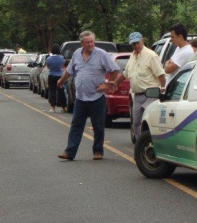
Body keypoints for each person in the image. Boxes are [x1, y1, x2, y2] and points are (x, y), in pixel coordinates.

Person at [56, 31, 121, 161]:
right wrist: (61, 81)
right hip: (80, 97)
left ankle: (98, 151)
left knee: (98, 126)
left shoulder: (101, 54)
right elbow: (69, 70)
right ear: (82, 43)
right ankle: (69, 152)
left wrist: (107, 84)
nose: (90, 44)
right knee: (76, 126)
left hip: (96, 97)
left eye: (92, 41)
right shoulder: (76, 54)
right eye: (87, 42)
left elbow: (114, 70)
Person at [109, 32, 165, 141]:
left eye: (138, 43)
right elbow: (125, 74)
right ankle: (141, 145)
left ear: (142, 41)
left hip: (150, 95)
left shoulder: (151, 55)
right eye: (133, 44)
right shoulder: (132, 57)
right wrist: (116, 83)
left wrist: (162, 92)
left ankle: (152, 143)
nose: (136, 46)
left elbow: (161, 75)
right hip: (137, 96)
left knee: (148, 122)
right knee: (136, 123)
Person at [45, 44, 67, 113]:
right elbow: (63, 66)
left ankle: (52, 108)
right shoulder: (61, 58)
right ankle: (64, 107)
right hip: (60, 76)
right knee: (61, 91)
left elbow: (48, 67)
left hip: (51, 76)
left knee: (52, 91)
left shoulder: (49, 58)